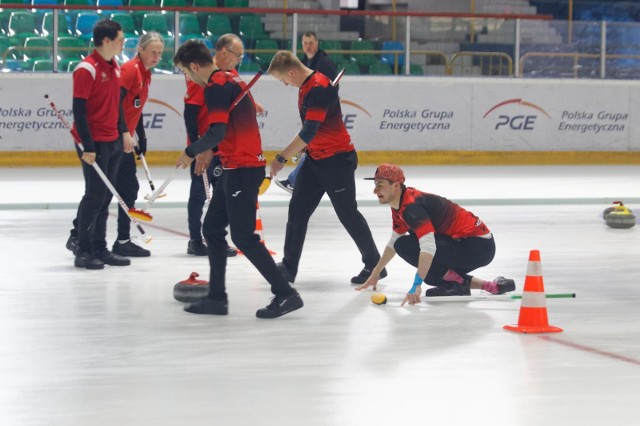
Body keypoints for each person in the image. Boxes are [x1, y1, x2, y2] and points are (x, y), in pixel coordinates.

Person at [173, 37, 303, 319]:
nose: (188, 78)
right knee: (211, 229)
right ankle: (217, 298)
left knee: (244, 237)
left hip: (243, 170)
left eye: (186, 72)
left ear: (194, 66)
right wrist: (209, 151)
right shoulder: (228, 81)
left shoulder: (217, 87)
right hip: (236, 167)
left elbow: (217, 131)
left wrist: (192, 151)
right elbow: (225, 131)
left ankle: (286, 293)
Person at [267, 50, 384, 285]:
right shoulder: (306, 86)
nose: (284, 84)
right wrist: (302, 148)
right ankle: (289, 268)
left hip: (337, 162)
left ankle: (374, 264)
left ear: (291, 72)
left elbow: (309, 132)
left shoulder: (319, 88)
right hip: (315, 159)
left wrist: (281, 158)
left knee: (348, 214)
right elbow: (310, 131)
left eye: (283, 80)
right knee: (297, 211)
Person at [355, 164, 516, 304]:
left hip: (476, 246)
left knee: (410, 250)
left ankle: (458, 285)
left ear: (396, 186)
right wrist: (375, 273)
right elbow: (393, 241)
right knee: (432, 275)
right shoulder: (400, 203)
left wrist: (416, 285)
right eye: (375, 185)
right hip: (475, 245)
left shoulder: (412, 208)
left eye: (380, 185)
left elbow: (428, 246)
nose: (375, 190)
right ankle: (492, 286)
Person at [66, 19, 135, 269]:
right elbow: (79, 109)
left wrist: (123, 132)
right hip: (93, 142)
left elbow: (116, 103)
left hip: (112, 139)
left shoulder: (115, 66)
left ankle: (100, 247)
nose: (123, 43)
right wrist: (89, 146)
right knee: (94, 195)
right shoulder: (87, 69)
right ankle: (83, 250)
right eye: (120, 39)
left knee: (106, 195)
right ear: (106, 41)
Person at [112, 32, 164, 258]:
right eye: (152, 51)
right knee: (103, 192)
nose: (156, 56)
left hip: (125, 139)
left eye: (160, 53)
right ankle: (79, 235)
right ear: (141, 49)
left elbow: (135, 107)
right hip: (113, 138)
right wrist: (124, 132)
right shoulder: (130, 70)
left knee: (129, 189)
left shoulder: (146, 74)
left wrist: (141, 136)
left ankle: (122, 240)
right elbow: (115, 104)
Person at [274, 31, 338, 195]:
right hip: (314, 110)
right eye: (305, 43)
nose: (308, 46)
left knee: (310, 145)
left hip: (322, 112)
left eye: (311, 42)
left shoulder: (324, 63)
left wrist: (282, 158)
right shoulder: (304, 62)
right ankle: (297, 180)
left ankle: (295, 180)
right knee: (310, 148)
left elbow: (330, 90)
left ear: (317, 43)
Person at [183, 74, 238, 257]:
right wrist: (196, 146)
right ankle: (195, 240)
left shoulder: (231, 76)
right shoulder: (201, 80)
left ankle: (217, 239)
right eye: (234, 54)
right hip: (204, 148)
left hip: (222, 148)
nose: (237, 59)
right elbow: (190, 114)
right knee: (198, 195)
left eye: (239, 56)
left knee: (222, 195)